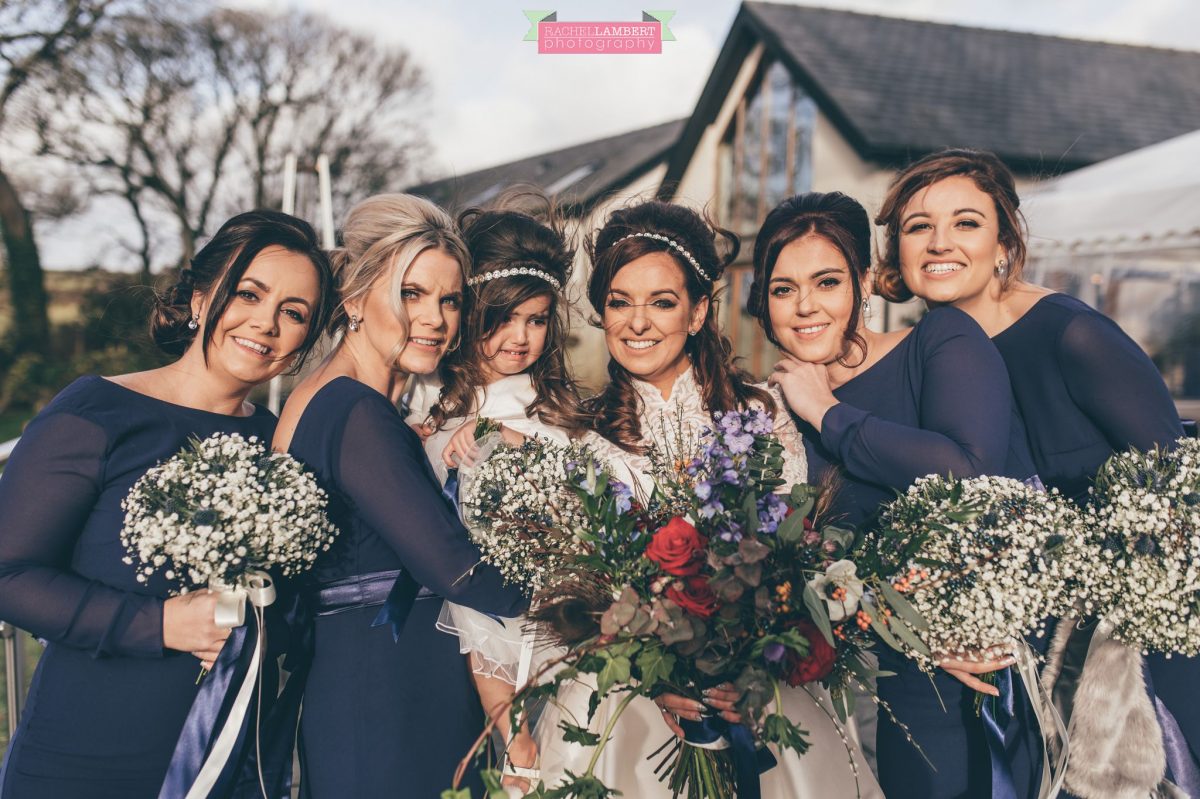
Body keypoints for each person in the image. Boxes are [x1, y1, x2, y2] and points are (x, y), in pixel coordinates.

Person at [874, 148, 1193, 797]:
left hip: (1139, 666)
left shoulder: (1072, 336)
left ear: (1004, 242)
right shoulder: (927, 357)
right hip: (1017, 666)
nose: (939, 243)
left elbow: (1183, 491)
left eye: (965, 222)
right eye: (917, 226)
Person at [0, 210, 334, 799]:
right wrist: (156, 624)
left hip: (236, 761)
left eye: (294, 313)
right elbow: (9, 574)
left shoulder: (280, 442)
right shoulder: (96, 414)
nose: (267, 323)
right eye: (249, 294)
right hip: (88, 758)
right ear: (201, 299)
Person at [581, 199, 879, 798]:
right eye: (620, 302)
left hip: (764, 698)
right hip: (640, 709)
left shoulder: (762, 413)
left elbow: (800, 553)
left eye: (661, 302)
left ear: (696, 313)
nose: (637, 322)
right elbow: (579, 586)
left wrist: (754, 664)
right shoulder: (579, 439)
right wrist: (651, 674)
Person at [747, 191, 1040, 798]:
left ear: (863, 282)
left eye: (826, 282)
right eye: (782, 289)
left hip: (963, 674)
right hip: (843, 683)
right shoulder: (764, 415)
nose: (805, 307)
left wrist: (827, 413)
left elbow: (970, 472)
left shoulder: (938, 345)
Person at [272, 193, 527, 799]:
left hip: (375, 677)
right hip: (387, 689)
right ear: (356, 298)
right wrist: (584, 594)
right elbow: (458, 570)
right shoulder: (355, 410)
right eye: (412, 293)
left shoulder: (336, 400)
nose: (436, 318)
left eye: (450, 299)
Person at [409, 198, 589, 793]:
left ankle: (514, 735)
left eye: (537, 320)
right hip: (442, 653)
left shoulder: (554, 414)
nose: (519, 337)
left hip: (549, 646)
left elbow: (586, 507)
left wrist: (515, 444)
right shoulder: (429, 404)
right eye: (503, 318)